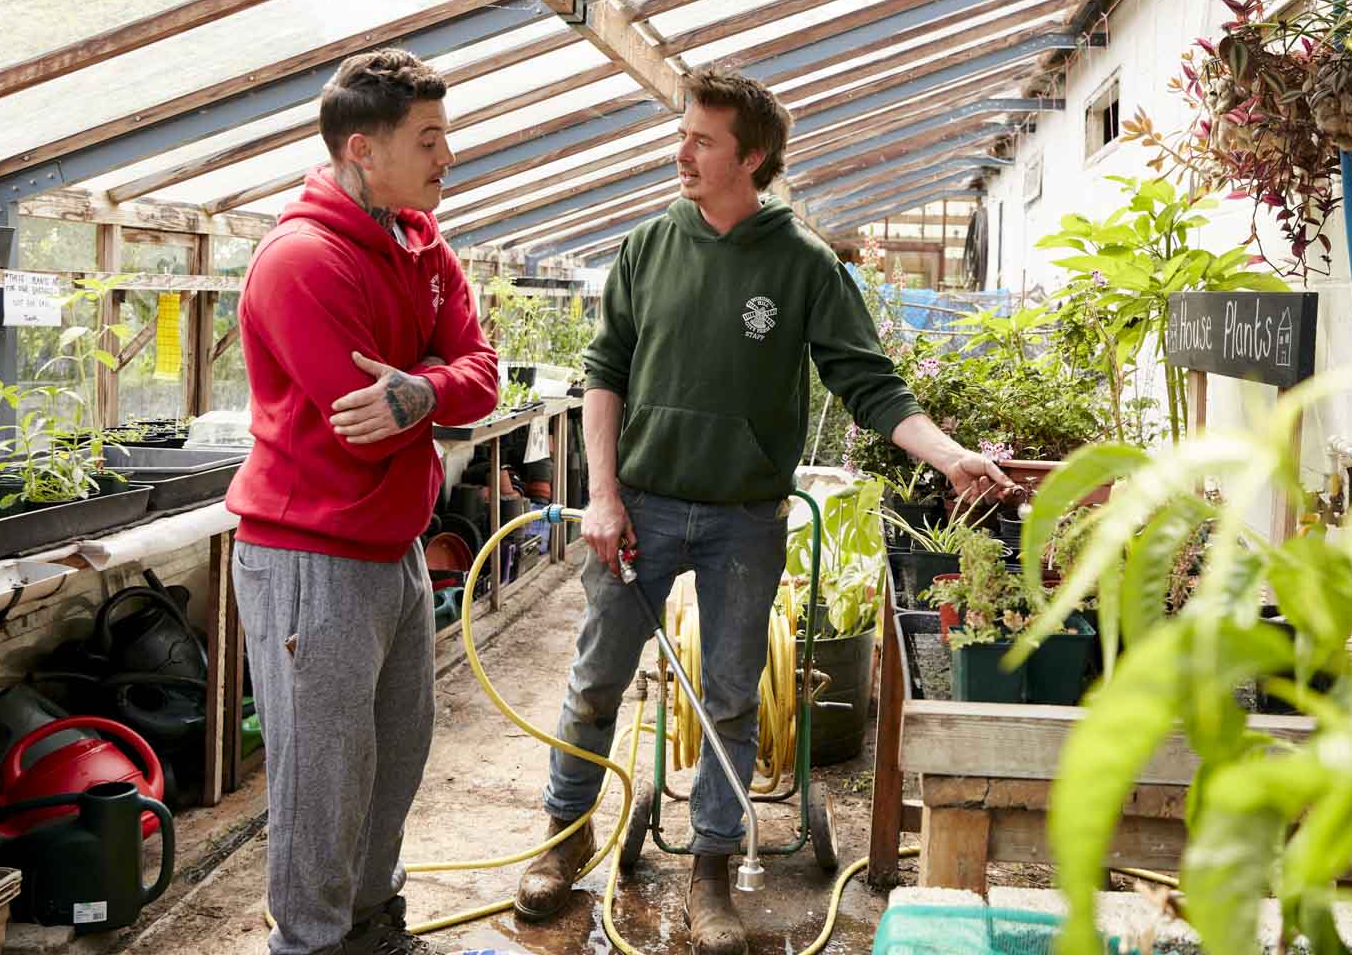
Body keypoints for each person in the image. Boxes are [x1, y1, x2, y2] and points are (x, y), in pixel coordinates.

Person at [516, 69, 1012, 954]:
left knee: (733, 698)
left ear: (751, 157)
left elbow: (870, 383)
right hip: (643, 507)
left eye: (701, 141)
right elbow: (605, 373)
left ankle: (712, 874)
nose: (681, 153)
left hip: (745, 516)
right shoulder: (646, 248)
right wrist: (600, 493)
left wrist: (951, 455)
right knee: (596, 679)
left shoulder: (804, 263)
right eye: (683, 135)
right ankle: (564, 836)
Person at [227, 49, 498, 955]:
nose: (447, 157)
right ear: (361, 149)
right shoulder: (301, 261)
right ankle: (309, 941)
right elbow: (361, 424)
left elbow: (483, 376)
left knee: (394, 755)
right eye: (429, 140)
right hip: (312, 553)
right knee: (322, 775)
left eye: (445, 136)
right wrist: (434, 388)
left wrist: (422, 389)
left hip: (394, 547)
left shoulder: (423, 245)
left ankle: (375, 924)